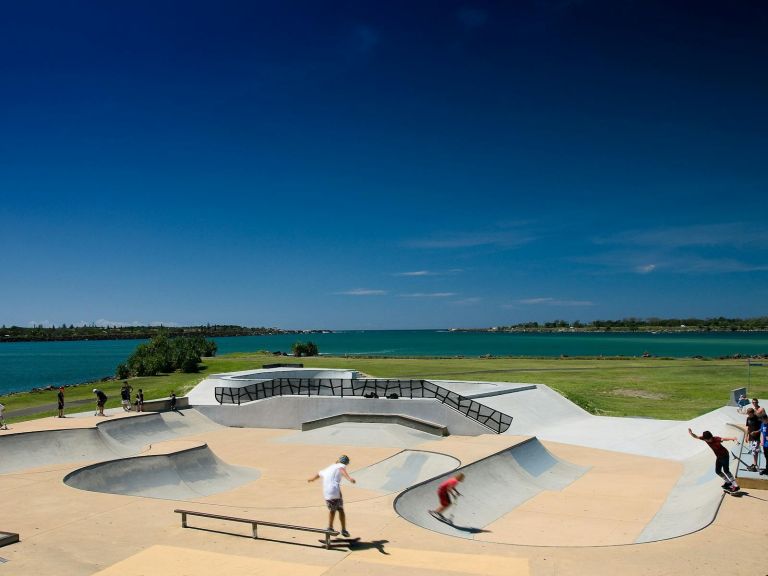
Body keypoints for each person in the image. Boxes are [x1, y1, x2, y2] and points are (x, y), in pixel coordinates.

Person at [308, 455, 356, 537]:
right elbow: (342, 469)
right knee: (340, 510)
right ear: (345, 462)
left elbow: (319, 474)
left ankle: (330, 527)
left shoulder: (330, 467)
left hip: (327, 493)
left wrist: (312, 479)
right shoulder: (341, 465)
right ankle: (343, 530)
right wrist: (349, 478)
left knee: (332, 510)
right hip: (334, 491)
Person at [745, 407, 762, 472]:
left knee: (755, 451)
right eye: (748, 414)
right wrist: (746, 436)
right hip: (750, 438)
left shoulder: (757, 419)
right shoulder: (748, 418)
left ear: (752, 413)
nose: (748, 415)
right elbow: (748, 428)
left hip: (756, 438)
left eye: (749, 413)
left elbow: (761, 428)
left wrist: (756, 432)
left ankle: (755, 465)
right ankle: (755, 464)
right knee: (753, 451)